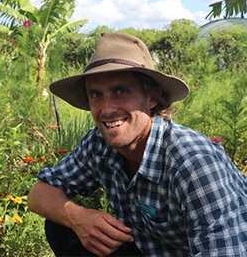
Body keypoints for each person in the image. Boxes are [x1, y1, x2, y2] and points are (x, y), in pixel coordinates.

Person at [27, 32, 247, 256]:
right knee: (62, 226)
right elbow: (39, 193)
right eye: (96, 95)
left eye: (121, 91)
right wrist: (76, 217)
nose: (107, 109)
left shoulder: (193, 164)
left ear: (152, 98)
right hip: (148, 249)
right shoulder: (99, 144)